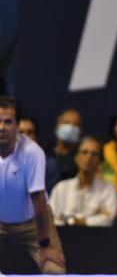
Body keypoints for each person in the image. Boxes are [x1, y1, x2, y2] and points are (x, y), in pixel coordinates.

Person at [0, 95, 66, 274]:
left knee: (54, 271)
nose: (1, 128)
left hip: (33, 224)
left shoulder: (32, 153)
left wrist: (45, 245)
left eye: (8, 122)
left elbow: (39, 202)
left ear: (17, 125)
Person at [50, 136, 117, 227]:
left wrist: (74, 221)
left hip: (98, 238)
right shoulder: (61, 188)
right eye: (84, 152)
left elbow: (109, 219)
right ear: (76, 157)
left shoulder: (108, 189)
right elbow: (51, 218)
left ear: (100, 161)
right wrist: (95, 217)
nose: (89, 157)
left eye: (94, 154)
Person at [19, 115, 60, 194]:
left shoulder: (49, 165)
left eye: (30, 132)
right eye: (20, 132)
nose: (25, 137)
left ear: (36, 138)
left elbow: (52, 197)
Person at [50, 108, 84, 181]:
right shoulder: (44, 153)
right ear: (57, 127)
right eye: (66, 123)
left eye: (75, 124)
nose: (70, 128)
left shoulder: (82, 157)